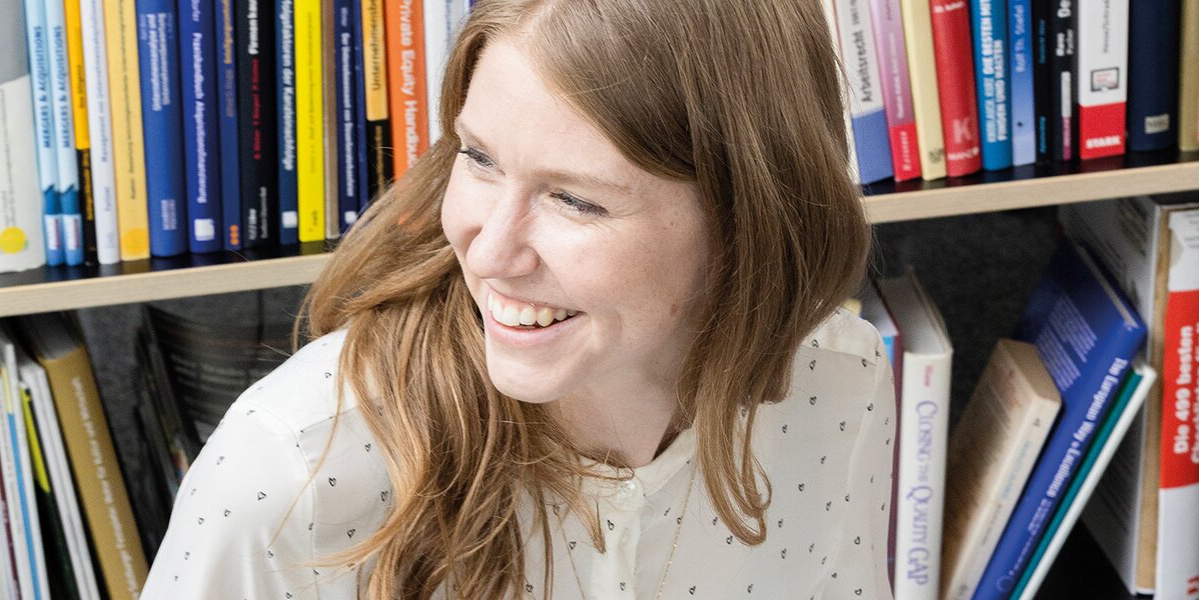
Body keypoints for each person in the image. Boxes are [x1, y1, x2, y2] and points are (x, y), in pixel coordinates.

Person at [146, 0, 894, 597]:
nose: (489, 251)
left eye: (574, 200)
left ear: (749, 218)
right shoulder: (288, 471)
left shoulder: (840, 379)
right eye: (478, 158)